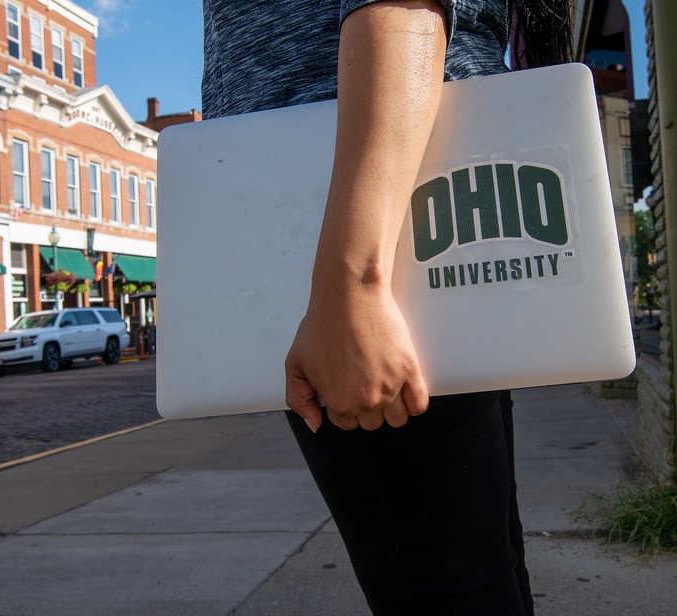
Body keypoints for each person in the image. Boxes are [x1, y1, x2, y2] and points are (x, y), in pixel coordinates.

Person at [202, 1, 571, 613]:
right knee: (475, 580)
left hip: (360, 221)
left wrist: (356, 280)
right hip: (374, 211)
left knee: (444, 592)